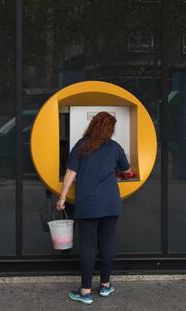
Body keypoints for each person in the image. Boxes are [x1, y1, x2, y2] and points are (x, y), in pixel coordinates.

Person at [56, 111, 131, 305]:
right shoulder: (115, 147)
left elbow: (71, 172)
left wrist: (62, 197)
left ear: (92, 125)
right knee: (106, 244)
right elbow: (126, 168)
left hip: (88, 203)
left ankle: (86, 292)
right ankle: (105, 286)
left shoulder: (82, 145)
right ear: (110, 129)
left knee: (88, 247)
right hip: (111, 203)